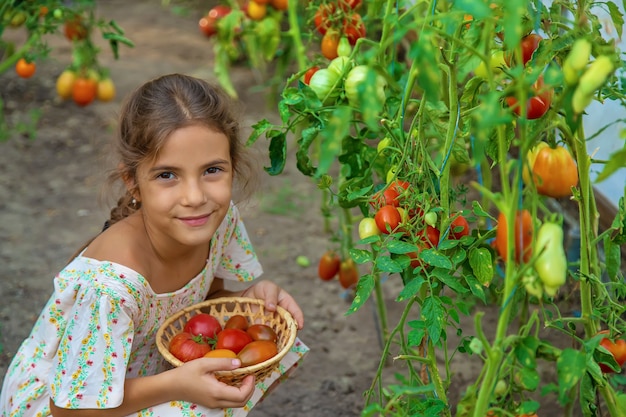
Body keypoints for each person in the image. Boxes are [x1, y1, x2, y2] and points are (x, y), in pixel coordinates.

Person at [0, 73, 308, 417]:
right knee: (198, 408)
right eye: (167, 175)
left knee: (269, 354)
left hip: (136, 381)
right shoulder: (111, 287)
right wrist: (177, 385)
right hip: (63, 407)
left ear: (233, 168)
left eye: (212, 170)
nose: (195, 197)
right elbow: (70, 409)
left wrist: (247, 300)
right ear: (133, 182)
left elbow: (204, 307)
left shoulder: (219, 222)